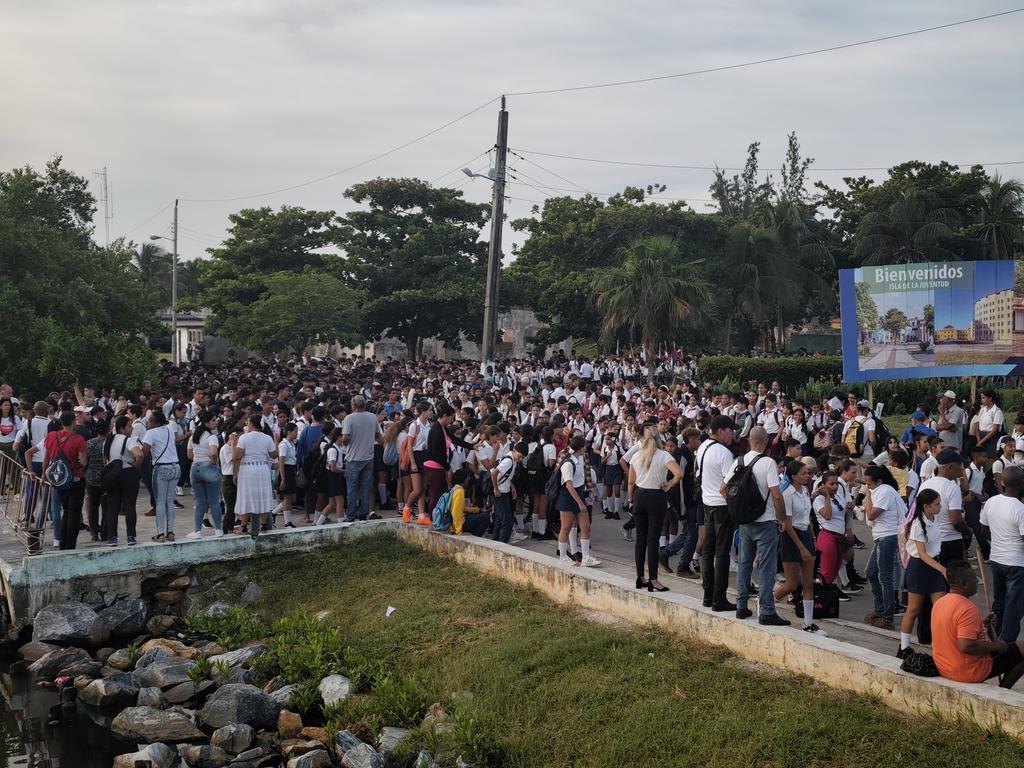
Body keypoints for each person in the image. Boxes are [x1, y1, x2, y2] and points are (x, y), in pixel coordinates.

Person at [727, 426, 788, 625]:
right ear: (766, 441)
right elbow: (777, 495)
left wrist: (739, 508)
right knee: (767, 568)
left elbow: (724, 488)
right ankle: (767, 611)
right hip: (765, 521)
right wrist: (782, 518)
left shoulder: (739, 461)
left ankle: (741, 606)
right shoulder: (768, 463)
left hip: (745, 522)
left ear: (750, 440)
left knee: (745, 563)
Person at [931, 560, 1024, 689]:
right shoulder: (967, 608)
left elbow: (954, 629)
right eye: (974, 579)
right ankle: (1004, 690)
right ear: (963, 583)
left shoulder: (940, 603)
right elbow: (966, 646)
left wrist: (981, 625)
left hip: (944, 666)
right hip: (967, 670)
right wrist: (997, 646)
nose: (977, 582)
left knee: (1013, 648)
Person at [627, 427, 682, 592]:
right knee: (653, 540)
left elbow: (630, 482)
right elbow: (679, 473)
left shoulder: (637, 455)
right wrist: (670, 483)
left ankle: (640, 576)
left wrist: (631, 499)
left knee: (641, 538)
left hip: (639, 495)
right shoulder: (664, 455)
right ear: (660, 440)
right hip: (656, 496)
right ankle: (654, 579)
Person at [695, 416, 738, 610]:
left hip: (707, 503)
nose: (733, 434)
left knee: (708, 551)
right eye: (731, 430)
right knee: (721, 553)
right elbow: (729, 484)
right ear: (721, 431)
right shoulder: (723, 452)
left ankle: (707, 595)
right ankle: (719, 598)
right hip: (721, 506)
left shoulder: (703, 446)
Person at [774, 460, 821, 633]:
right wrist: (801, 548)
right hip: (791, 536)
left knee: (808, 582)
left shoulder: (805, 492)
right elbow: (787, 523)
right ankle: (768, 602)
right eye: (803, 473)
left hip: (805, 533)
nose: (807, 476)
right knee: (792, 584)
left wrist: (812, 537)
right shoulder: (787, 493)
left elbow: (806, 519)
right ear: (793, 476)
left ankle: (808, 623)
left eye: (808, 473)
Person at [898, 488, 946, 658]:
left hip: (934, 566)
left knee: (940, 610)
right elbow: (923, 554)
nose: (940, 506)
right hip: (920, 566)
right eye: (937, 504)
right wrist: (942, 570)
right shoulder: (918, 524)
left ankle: (940, 647)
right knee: (913, 609)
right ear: (926, 506)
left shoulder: (935, 518)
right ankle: (903, 647)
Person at [980, 465, 1024, 643]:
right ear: (1021, 482)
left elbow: (983, 530)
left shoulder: (992, 502)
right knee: (1013, 607)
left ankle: (994, 638)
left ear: (1003, 482)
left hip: (997, 559)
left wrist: (998, 540)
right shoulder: (1020, 509)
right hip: (1016, 563)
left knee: (999, 602)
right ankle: (1006, 646)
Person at [862, 465, 906, 630]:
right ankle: (880, 609)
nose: (868, 487)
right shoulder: (879, 490)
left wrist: (867, 499)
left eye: (869, 484)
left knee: (885, 576)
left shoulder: (885, 491)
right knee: (871, 572)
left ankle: (887, 616)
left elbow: (872, 514)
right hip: (881, 536)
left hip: (888, 536)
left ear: (878, 481)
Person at [43, 412, 87, 550]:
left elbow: (46, 458)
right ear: (73, 422)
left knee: (64, 511)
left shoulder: (51, 436)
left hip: (58, 480)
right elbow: (83, 461)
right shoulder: (79, 439)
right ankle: (70, 544)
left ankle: (62, 542)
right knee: (73, 513)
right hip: (75, 478)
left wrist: (45, 475)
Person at [556, 435, 600, 567]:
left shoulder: (580, 459)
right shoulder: (568, 463)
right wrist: (580, 503)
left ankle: (586, 556)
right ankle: (563, 555)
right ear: (581, 448)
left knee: (585, 526)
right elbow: (569, 485)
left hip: (580, 493)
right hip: (568, 496)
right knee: (566, 527)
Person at [233, 413, 278, 536]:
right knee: (263, 496)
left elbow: (238, 456)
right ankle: (264, 525)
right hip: (263, 469)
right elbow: (274, 455)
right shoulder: (267, 438)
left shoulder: (244, 438)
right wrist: (276, 442)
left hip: (247, 470)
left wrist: (235, 473)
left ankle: (243, 526)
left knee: (245, 496)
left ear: (251, 424)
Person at [341, 395, 381, 522]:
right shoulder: (372, 417)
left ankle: (351, 515)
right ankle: (363, 513)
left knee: (352, 488)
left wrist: (341, 440)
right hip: (368, 457)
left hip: (353, 458)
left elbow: (346, 438)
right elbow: (377, 435)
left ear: (353, 405)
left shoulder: (349, 418)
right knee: (365, 487)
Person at [103, 415, 142, 546]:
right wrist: (136, 464)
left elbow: (105, 460)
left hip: (112, 474)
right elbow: (139, 454)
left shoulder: (108, 441)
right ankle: (131, 536)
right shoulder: (129, 440)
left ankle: (112, 537)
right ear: (122, 428)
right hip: (127, 473)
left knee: (112, 507)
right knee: (129, 506)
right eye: (129, 426)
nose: (131, 429)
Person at [142, 409, 180, 542]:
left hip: (161, 468)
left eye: (150, 420)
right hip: (175, 467)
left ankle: (160, 534)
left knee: (160, 502)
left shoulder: (150, 433)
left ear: (154, 422)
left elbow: (145, 451)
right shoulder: (169, 429)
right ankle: (170, 532)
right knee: (170, 501)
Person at [186, 410, 223, 539]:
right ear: (206, 422)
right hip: (209, 467)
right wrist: (214, 463)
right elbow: (213, 453)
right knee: (214, 501)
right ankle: (218, 529)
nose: (216, 422)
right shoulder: (212, 437)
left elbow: (189, 455)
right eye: (213, 420)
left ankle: (197, 531)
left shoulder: (194, 435)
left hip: (195, 468)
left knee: (200, 501)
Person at [492, 441, 527, 544]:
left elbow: (506, 475)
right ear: (514, 451)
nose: (520, 459)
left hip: (503, 490)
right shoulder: (509, 461)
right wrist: (496, 489)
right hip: (500, 492)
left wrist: (512, 487)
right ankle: (503, 542)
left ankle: (495, 540)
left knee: (499, 518)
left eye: (522, 458)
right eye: (519, 456)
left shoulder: (511, 459)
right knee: (507, 520)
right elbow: (494, 474)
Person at [448, 467, 489, 536]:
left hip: (455, 521)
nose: (469, 480)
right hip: (457, 523)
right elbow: (456, 512)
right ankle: (476, 537)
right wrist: (458, 531)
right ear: (464, 479)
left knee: (480, 515)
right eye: (467, 478)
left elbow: (463, 508)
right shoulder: (460, 491)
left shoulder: (454, 489)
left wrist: (478, 510)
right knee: (486, 517)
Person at [973, 389, 1004, 459]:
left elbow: (994, 430)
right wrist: (979, 440)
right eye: (981, 398)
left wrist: (981, 442)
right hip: (980, 435)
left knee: (989, 458)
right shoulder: (982, 410)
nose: (981, 400)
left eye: (984, 398)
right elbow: (976, 424)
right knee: (980, 458)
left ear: (990, 398)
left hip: (990, 437)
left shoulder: (997, 411)